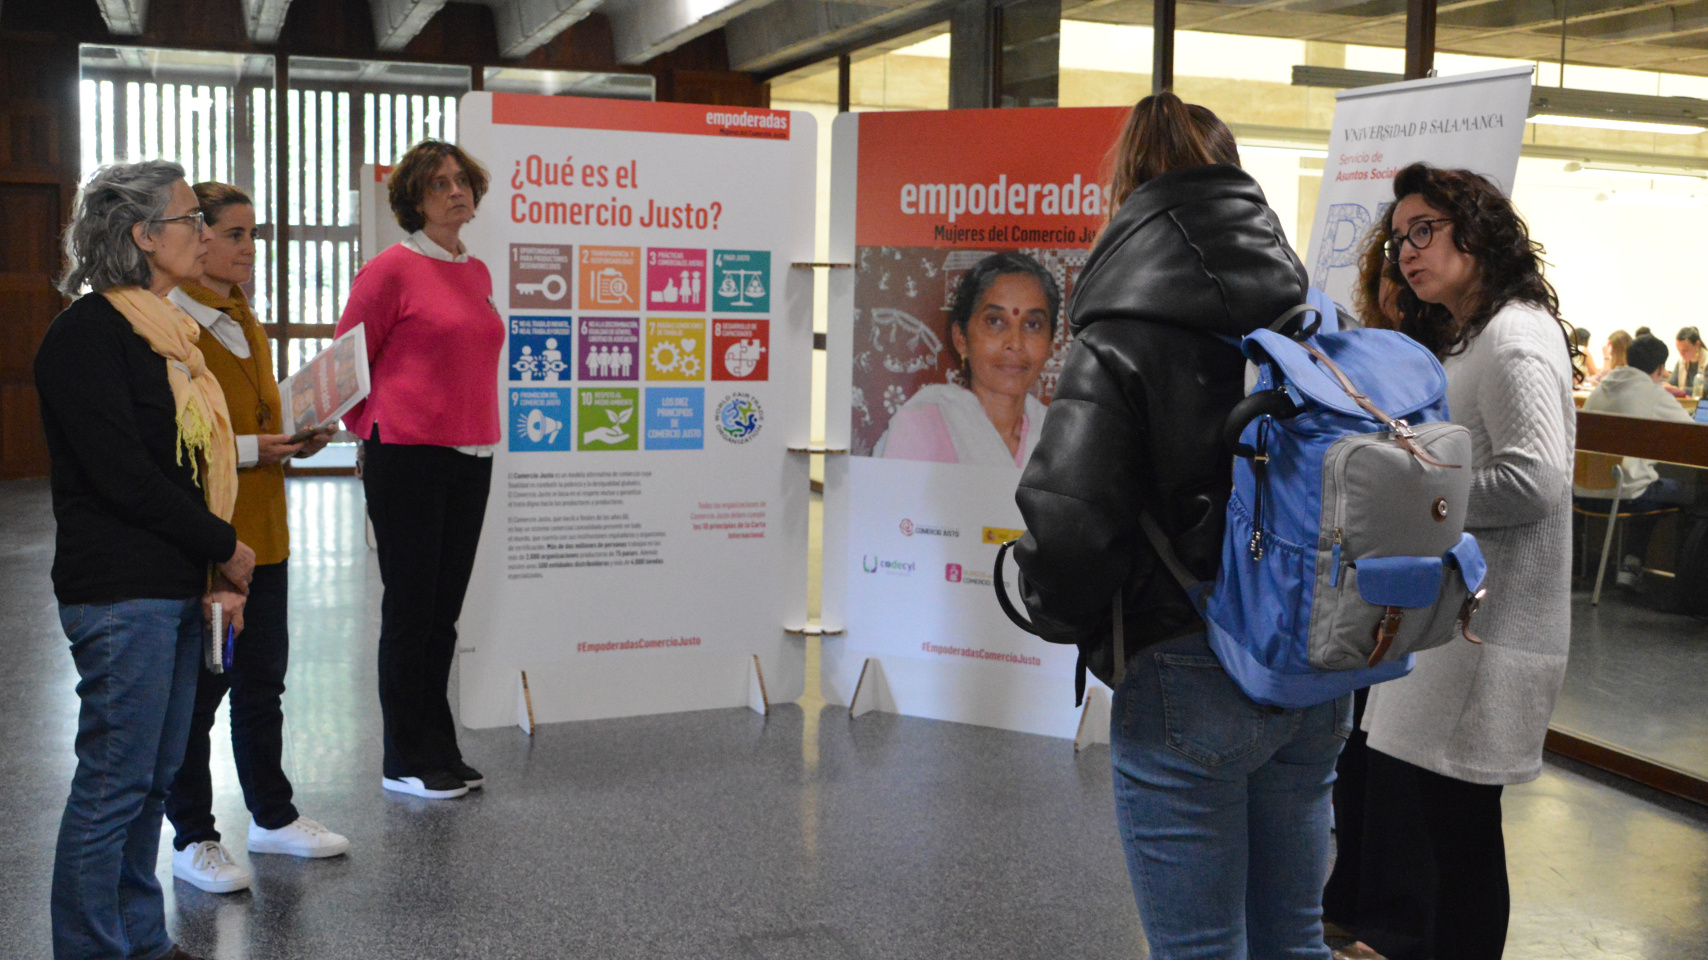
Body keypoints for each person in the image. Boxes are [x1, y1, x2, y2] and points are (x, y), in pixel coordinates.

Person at [1010, 93, 1344, 960]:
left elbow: (1070, 523)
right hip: (1314, 656)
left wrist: (1058, 611)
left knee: (1199, 949)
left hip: (1185, 662)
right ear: (1232, 177)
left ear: (1127, 189)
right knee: (1293, 938)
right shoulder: (1311, 313)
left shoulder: (1117, 332)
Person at [1355, 162, 1577, 960]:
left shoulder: (1514, 337)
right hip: (1460, 625)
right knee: (1445, 836)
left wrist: (1422, 499)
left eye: (1425, 230)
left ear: (1477, 233)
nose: (1408, 251)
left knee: (1460, 840)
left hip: (1491, 631)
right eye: (1399, 237)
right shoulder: (1477, 333)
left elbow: (1537, 479)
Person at [36, 160, 255, 960]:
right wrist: (224, 547)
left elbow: (188, 473)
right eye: (191, 219)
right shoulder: (86, 335)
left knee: (152, 783)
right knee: (112, 786)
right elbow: (125, 477)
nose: (203, 232)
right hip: (119, 591)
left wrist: (211, 567)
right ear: (143, 236)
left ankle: (140, 939)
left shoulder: (171, 336)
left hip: (172, 583)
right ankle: (90, 949)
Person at [160, 182, 348, 894]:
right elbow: (173, 438)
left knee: (263, 684)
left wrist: (296, 436)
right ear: (198, 237)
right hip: (212, 541)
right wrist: (250, 450)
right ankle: (193, 836)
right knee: (201, 694)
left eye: (253, 235)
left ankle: (273, 816)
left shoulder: (244, 317)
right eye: (234, 234)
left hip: (266, 533)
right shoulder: (173, 323)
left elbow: (255, 415)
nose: (248, 249)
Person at [334, 139, 503, 800]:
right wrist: (369, 437)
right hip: (407, 454)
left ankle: (439, 746)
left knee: (443, 614)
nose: (456, 191)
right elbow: (347, 364)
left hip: (472, 452)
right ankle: (404, 758)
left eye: (462, 180)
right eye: (438, 184)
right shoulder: (389, 271)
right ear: (413, 199)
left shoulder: (476, 271)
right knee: (411, 611)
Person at [875, 251, 1057, 467]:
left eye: (1032, 325)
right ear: (961, 338)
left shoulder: (1060, 441)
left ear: (1050, 346)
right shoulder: (922, 427)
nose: (1015, 343)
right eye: (995, 321)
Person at [1577, 334, 1696, 586]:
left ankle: (1623, 563)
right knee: (1691, 492)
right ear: (1661, 369)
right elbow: (1692, 436)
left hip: (1583, 491)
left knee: (1646, 482)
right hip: (1625, 494)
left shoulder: (1601, 388)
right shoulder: (1653, 394)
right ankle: (1658, 572)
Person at [1670, 326, 1703, 394]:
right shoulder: (1681, 362)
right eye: (1679, 350)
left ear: (1697, 344)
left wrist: (1680, 390)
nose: (1681, 354)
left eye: (1685, 350)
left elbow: (1704, 390)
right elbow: (1671, 383)